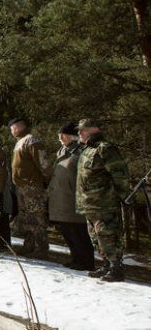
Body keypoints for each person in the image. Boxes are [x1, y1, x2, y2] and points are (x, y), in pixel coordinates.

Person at [76, 118, 129, 282]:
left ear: (94, 130)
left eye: (83, 130)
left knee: (107, 235)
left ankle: (116, 267)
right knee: (95, 237)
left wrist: (122, 196)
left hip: (104, 203)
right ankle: (105, 264)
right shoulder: (86, 151)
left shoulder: (105, 149)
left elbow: (120, 174)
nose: (79, 133)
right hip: (89, 203)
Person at [48, 122, 95, 271]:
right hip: (61, 198)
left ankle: (86, 261)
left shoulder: (79, 151)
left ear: (72, 136)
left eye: (64, 135)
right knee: (68, 231)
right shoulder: (62, 151)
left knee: (78, 232)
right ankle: (76, 258)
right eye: (59, 136)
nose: (60, 138)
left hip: (73, 198)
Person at [9, 118, 53, 257]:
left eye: (13, 128)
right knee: (27, 218)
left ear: (19, 127)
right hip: (22, 187)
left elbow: (43, 162)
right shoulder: (19, 142)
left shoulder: (32, 140)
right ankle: (29, 244)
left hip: (32, 186)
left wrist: (45, 179)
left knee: (37, 217)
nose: (12, 131)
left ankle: (41, 247)